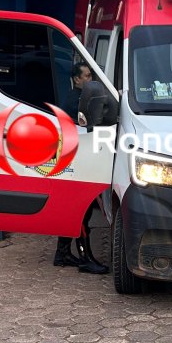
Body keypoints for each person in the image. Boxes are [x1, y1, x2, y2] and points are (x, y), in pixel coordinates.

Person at [54, 60, 108, 274]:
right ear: (77, 79)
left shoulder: (78, 97)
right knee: (81, 213)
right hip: (75, 162)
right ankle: (85, 258)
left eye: (91, 76)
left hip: (74, 159)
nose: (90, 80)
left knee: (73, 211)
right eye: (87, 77)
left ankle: (63, 253)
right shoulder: (76, 101)